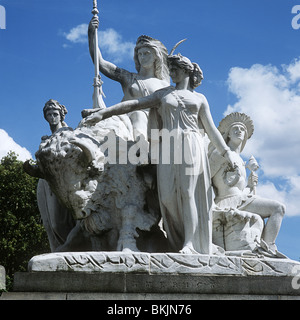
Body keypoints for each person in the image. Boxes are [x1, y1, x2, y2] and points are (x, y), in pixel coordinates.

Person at [81, 53, 236, 255]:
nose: (171, 73)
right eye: (170, 69)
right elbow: (134, 104)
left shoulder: (199, 98)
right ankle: (176, 239)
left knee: (188, 193)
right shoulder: (164, 94)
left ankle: (189, 243)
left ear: (186, 70)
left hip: (190, 143)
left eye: (175, 69)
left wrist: (226, 152)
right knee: (168, 198)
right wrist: (105, 112)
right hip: (168, 145)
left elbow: (211, 129)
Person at [208, 112, 285, 256]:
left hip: (242, 199)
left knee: (278, 208)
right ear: (228, 134)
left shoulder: (240, 159)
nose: (239, 131)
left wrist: (249, 186)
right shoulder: (221, 153)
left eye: (242, 129)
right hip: (227, 201)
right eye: (235, 128)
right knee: (277, 208)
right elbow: (206, 177)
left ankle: (267, 247)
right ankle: (267, 248)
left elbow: (237, 187)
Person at [85, 16, 170, 140]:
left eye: (146, 53)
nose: (142, 57)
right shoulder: (128, 78)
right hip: (128, 121)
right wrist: (91, 34)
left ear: (156, 56)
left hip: (155, 128)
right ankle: (139, 149)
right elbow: (100, 62)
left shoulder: (164, 84)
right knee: (138, 115)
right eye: (139, 54)